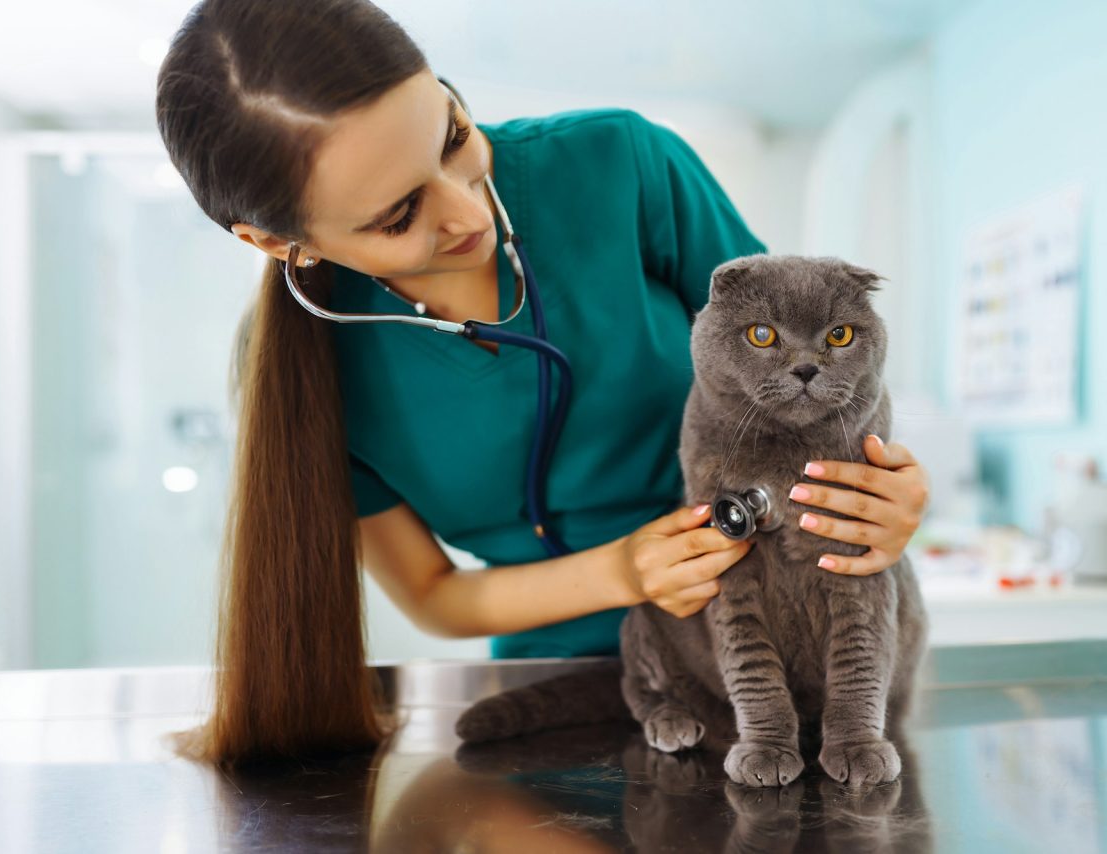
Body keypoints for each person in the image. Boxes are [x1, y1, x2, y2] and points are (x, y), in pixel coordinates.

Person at [155, 0, 931, 766]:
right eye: (398, 217)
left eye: (454, 136)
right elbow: (431, 593)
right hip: (549, 694)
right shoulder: (302, 370)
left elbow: (811, 360)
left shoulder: (619, 165)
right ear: (276, 242)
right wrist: (623, 571)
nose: (466, 212)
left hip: (792, 648)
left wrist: (881, 501)